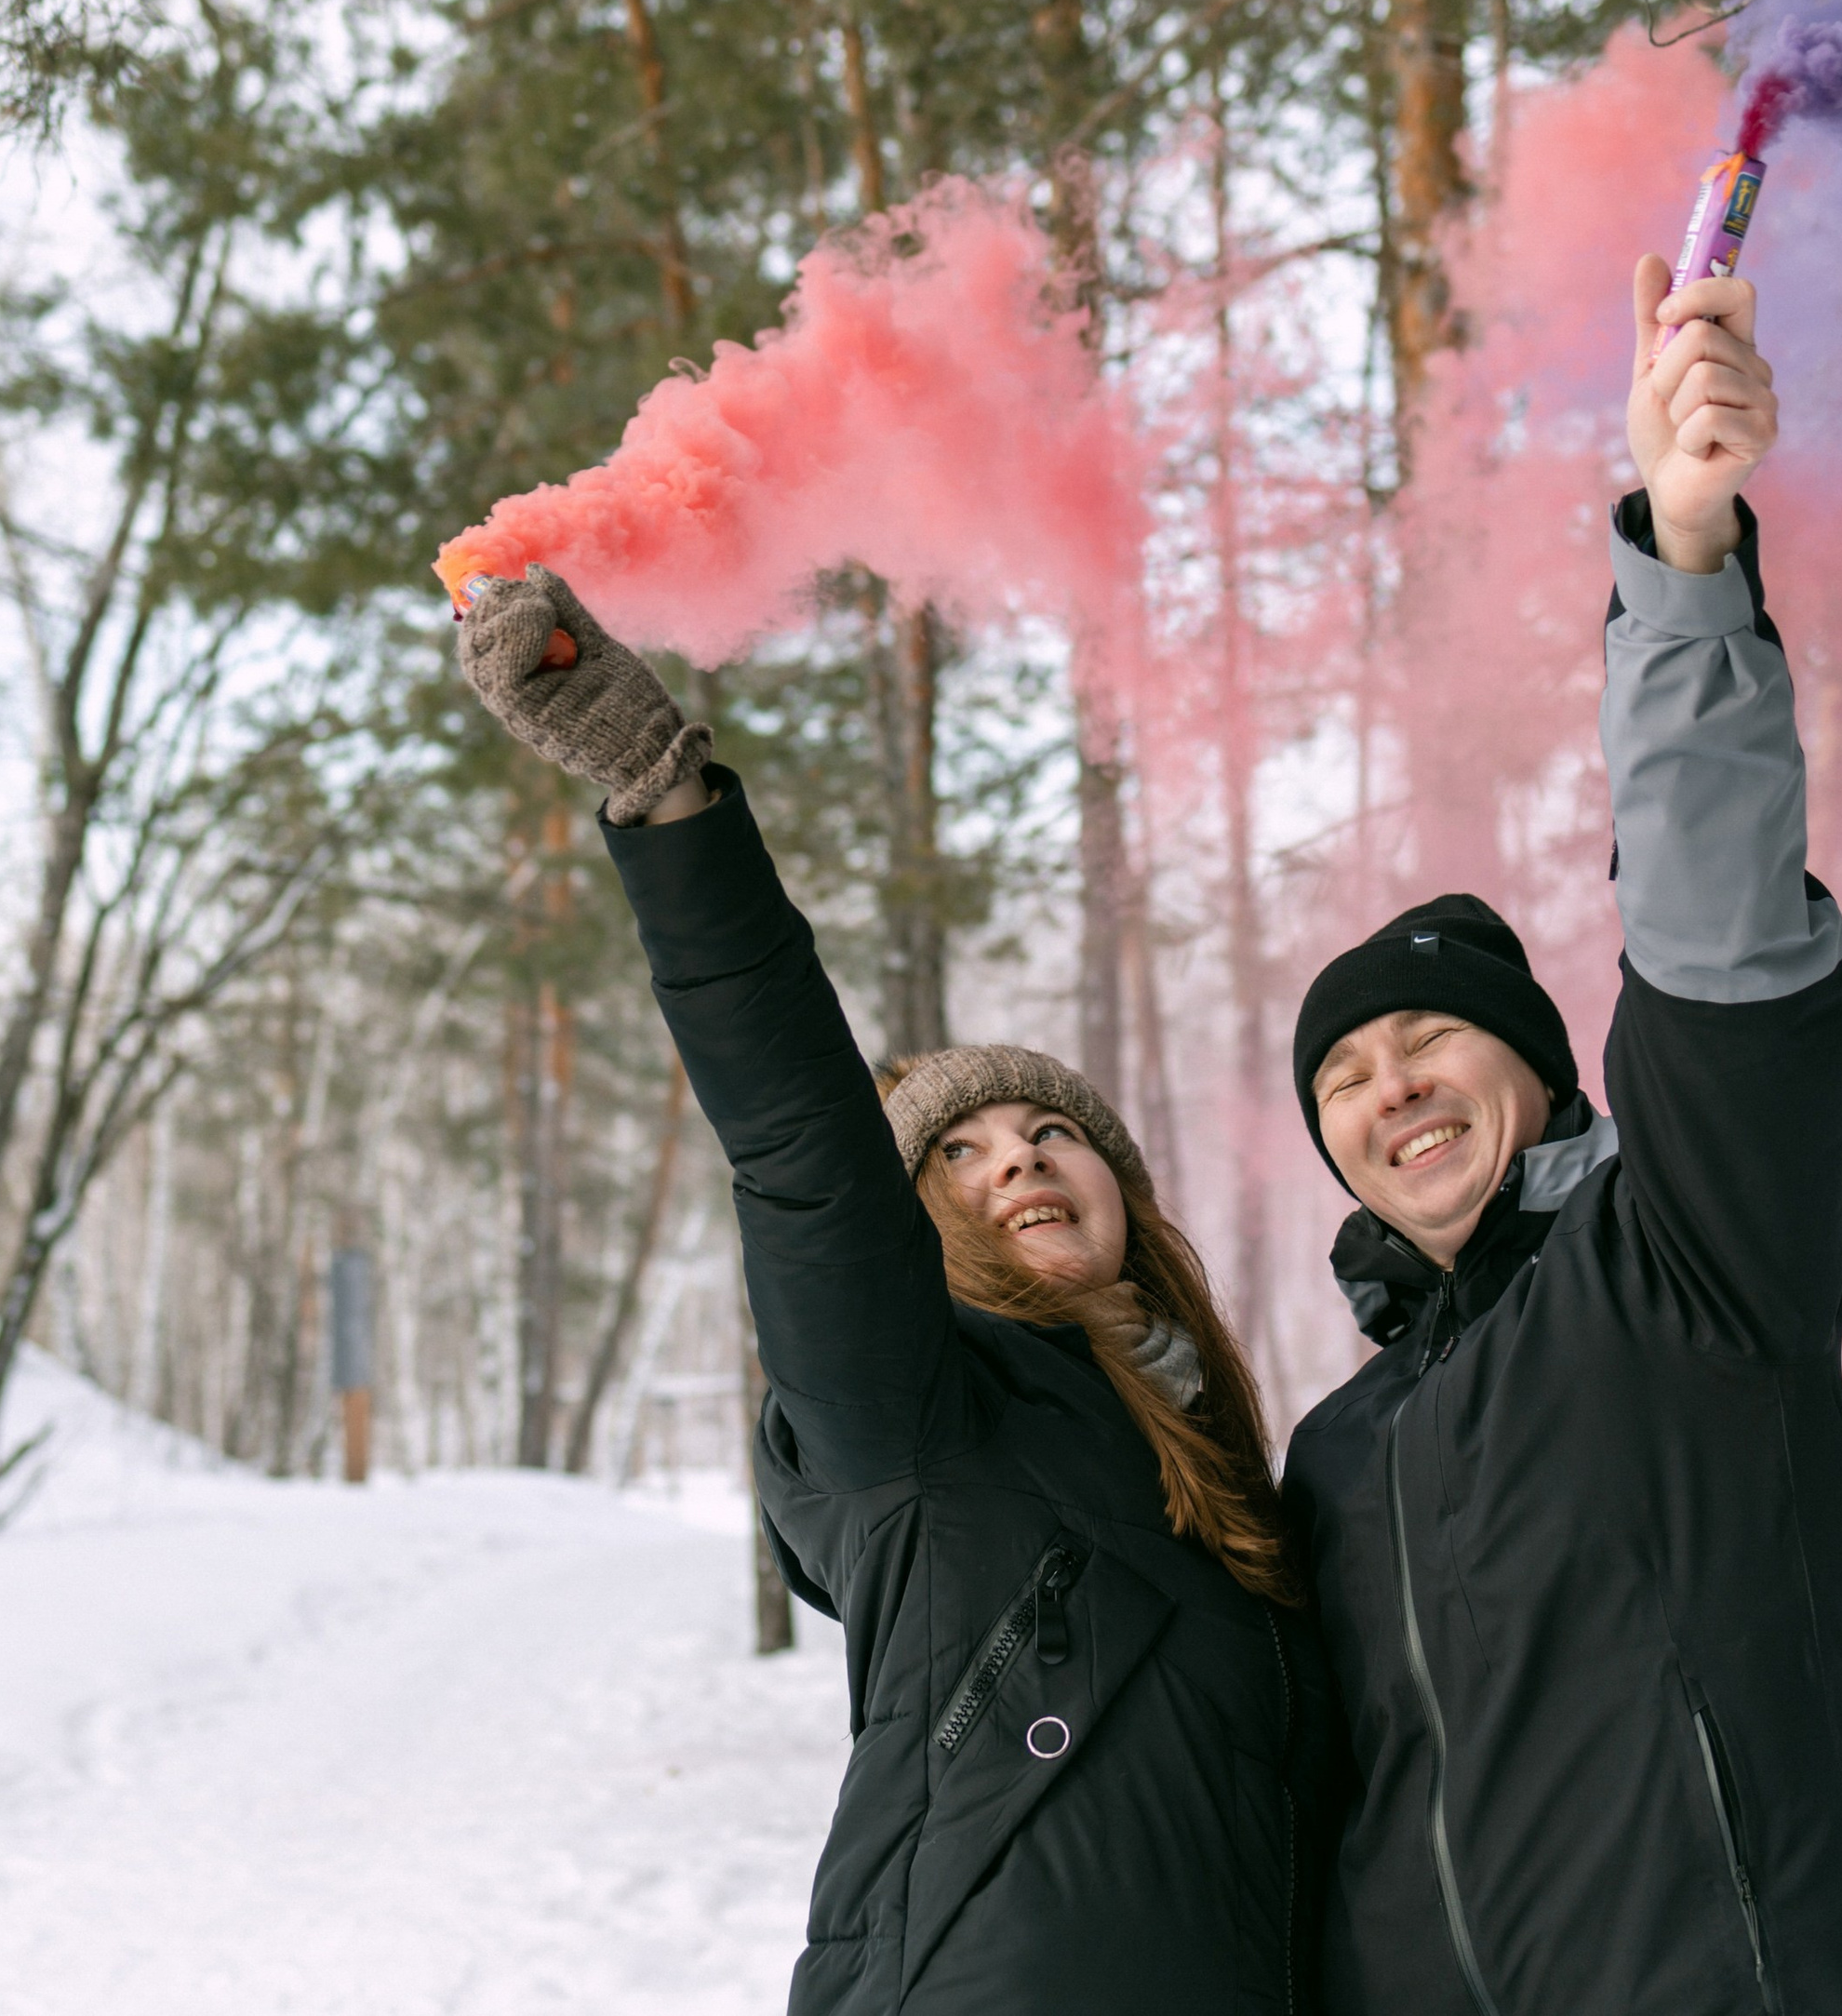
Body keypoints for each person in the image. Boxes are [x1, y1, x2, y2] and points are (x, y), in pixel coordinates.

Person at [456, 582, 1332, 2016]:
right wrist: (670, 804)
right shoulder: (919, 1415)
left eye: (1055, 1135)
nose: (1024, 1160)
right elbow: (804, 1152)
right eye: (963, 1155)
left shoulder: (1217, 1469)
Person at [1282, 260, 1842, 2016]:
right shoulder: (1337, 1454)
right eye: (1344, 1080)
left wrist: (1680, 559)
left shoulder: (1688, 1263)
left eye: (1428, 1042)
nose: (1388, 1086)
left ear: (1547, 1080)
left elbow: (1717, 937)